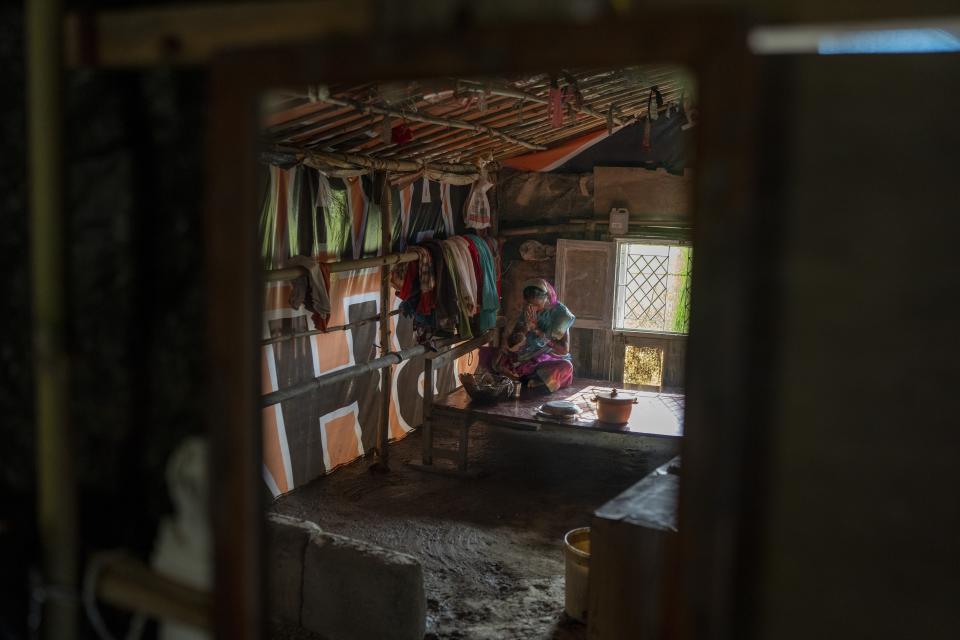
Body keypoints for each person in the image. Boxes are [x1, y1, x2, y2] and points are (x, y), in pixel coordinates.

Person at [486, 278, 575, 393]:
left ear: (546, 299)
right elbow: (514, 343)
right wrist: (526, 328)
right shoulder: (527, 311)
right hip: (527, 359)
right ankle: (530, 381)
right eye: (529, 304)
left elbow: (564, 350)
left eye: (537, 305)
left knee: (566, 367)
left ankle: (528, 381)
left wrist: (537, 330)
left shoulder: (561, 315)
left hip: (549, 359)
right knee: (498, 360)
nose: (533, 309)